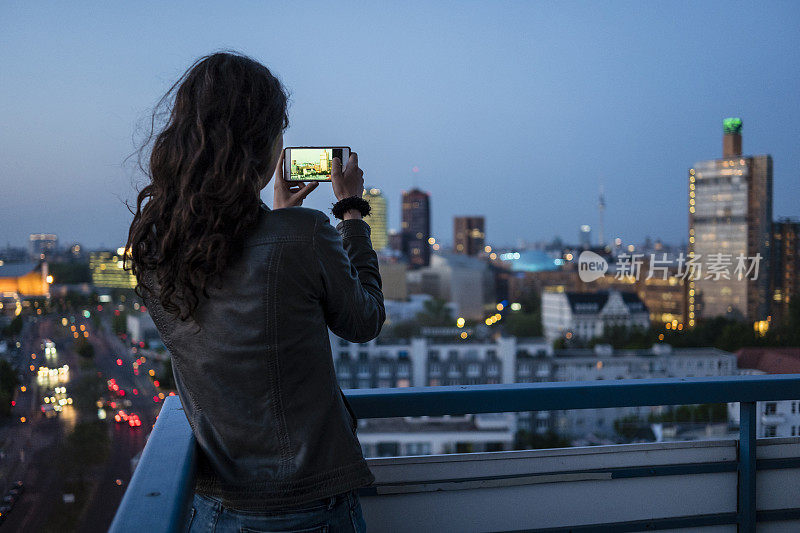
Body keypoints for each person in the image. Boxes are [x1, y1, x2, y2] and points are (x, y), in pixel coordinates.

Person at [124, 51, 385, 532]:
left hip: (214, 509)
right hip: (312, 508)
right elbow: (364, 321)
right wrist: (350, 212)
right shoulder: (303, 235)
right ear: (260, 145)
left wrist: (279, 211)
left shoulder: (154, 248)